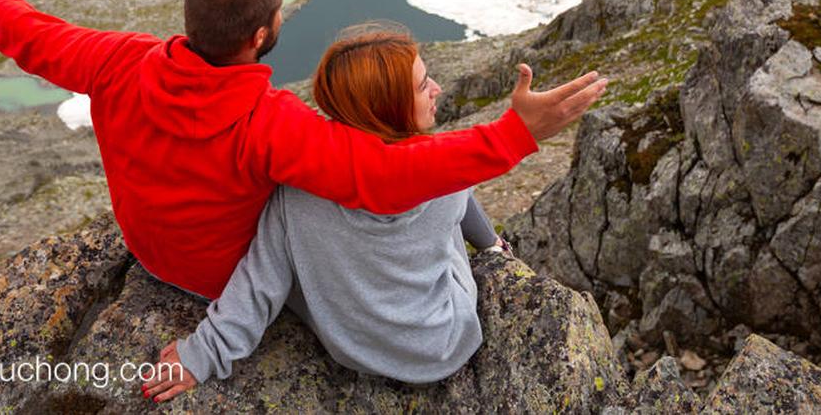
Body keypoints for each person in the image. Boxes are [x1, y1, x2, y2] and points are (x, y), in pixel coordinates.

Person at [0, 0, 607, 301]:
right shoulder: (270, 123)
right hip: (223, 281)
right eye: (281, 6)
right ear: (259, 37)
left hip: (145, 249)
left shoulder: (119, 59)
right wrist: (517, 133)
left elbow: (30, 36)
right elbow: (382, 174)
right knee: (330, 191)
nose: (284, 10)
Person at [142, 29, 542, 403]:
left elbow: (258, 282)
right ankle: (493, 244)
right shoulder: (443, 181)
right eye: (423, 85)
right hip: (444, 344)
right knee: (449, 169)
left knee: (290, 256)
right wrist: (491, 247)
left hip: (352, 350)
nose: (437, 89)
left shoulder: (295, 191)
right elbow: (456, 179)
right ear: (390, 108)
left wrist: (201, 354)